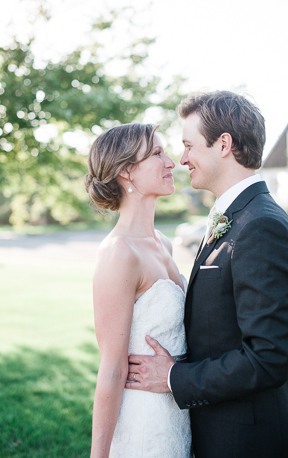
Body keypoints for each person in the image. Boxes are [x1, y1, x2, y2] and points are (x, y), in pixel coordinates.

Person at [127, 91, 288, 458]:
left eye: (188, 145)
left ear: (224, 145)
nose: (181, 159)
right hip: (216, 429)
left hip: (244, 441)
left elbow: (269, 356)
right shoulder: (236, 216)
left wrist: (173, 378)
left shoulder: (261, 225)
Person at [84, 123, 190, 458]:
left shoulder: (164, 244)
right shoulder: (119, 253)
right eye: (157, 154)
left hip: (178, 411)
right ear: (127, 172)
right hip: (144, 420)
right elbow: (112, 369)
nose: (171, 162)